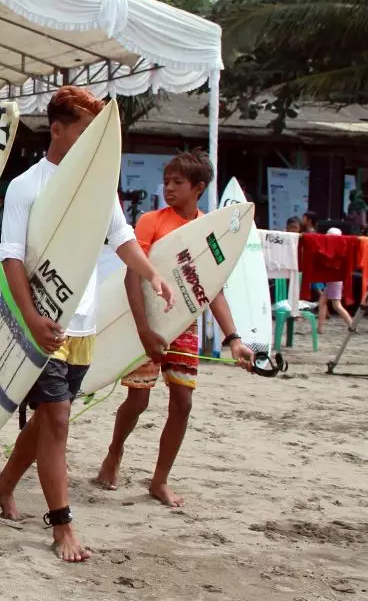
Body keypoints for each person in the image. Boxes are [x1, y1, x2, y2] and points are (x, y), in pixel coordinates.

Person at [0, 86, 176, 563]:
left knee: (54, 416)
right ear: (58, 129)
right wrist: (30, 316)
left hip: (83, 321)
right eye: (86, 133)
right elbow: (10, 257)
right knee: (59, 418)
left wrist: (152, 275)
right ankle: (61, 525)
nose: (96, 145)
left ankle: (4, 483)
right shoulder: (27, 186)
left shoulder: (99, 186)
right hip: (44, 321)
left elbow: (122, 237)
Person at [95, 150, 256, 507]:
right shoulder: (152, 221)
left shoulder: (207, 231)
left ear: (198, 188)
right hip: (144, 320)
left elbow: (212, 289)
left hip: (181, 326)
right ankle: (114, 451)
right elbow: (132, 277)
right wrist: (142, 330)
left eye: (177, 183)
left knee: (182, 402)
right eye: (166, 181)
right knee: (138, 399)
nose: (168, 188)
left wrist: (234, 340)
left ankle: (160, 480)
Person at [317, 228, 354, 333]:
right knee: (322, 302)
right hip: (332, 280)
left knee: (336, 305)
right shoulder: (338, 249)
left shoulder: (337, 251)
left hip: (335, 280)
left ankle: (352, 325)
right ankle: (320, 328)